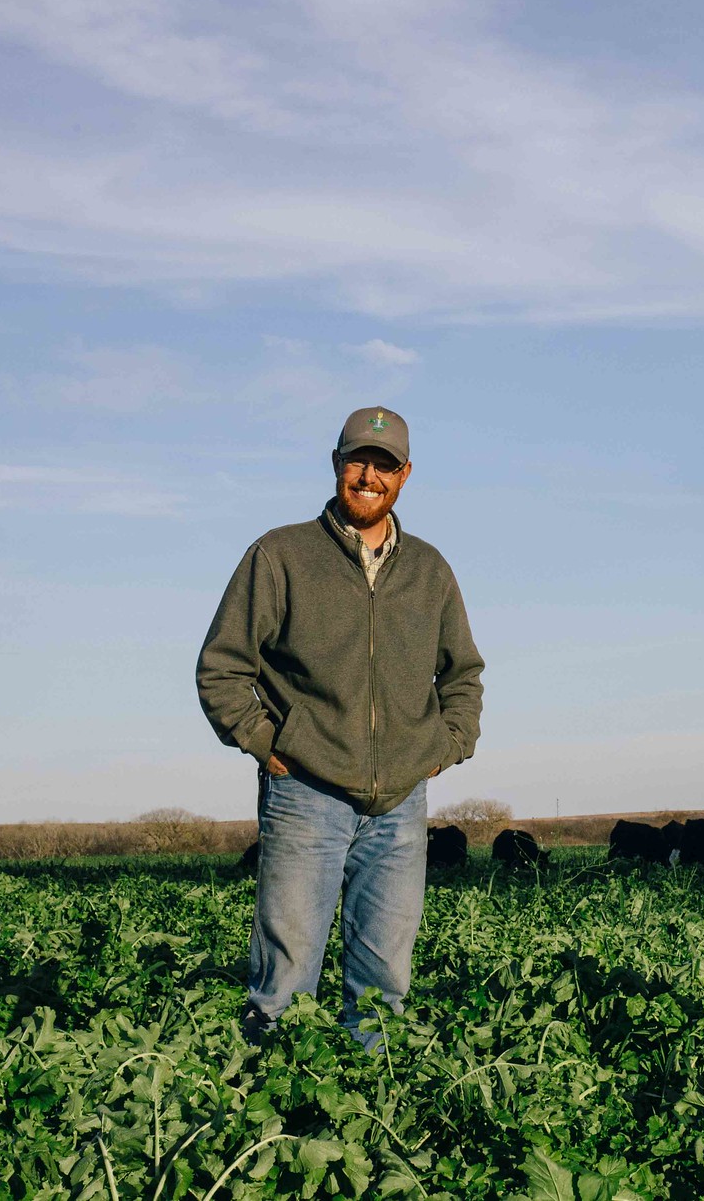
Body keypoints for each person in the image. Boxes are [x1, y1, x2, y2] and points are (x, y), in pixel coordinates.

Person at [197, 406, 484, 1047]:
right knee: (284, 983)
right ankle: (270, 1119)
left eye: (384, 466)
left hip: (402, 805)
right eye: (358, 460)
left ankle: (371, 1124)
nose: (368, 476)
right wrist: (271, 744)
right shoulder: (280, 555)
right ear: (336, 465)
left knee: (384, 988)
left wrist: (444, 746)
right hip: (307, 795)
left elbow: (463, 674)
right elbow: (220, 667)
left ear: (405, 475)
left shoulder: (430, 570)